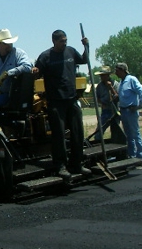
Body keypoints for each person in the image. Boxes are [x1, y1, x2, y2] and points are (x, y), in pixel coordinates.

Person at [32, 30, 91, 178]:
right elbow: (37, 73)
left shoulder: (71, 51)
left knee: (77, 133)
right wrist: (35, 71)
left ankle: (77, 164)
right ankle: (60, 166)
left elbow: (84, 60)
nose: (64, 43)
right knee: (58, 136)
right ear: (54, 41)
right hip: (55, 102)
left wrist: (87, 46)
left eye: (65, 40)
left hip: (71, 99)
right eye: (61, 41)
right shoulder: (45, 56)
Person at [0, 29, 32, 144]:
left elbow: (27, 67)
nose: (9, 45)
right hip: (5, 95)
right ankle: (2, 131)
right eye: (6, 43)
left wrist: (9, 72)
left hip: (15, 94)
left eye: (10, 43)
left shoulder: (18, 53)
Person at [114, 62, 142, 162]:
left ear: (123, 70)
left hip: (131, 111)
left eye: (117, 70)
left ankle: (140, 156)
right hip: (123, 111)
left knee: (135, 133)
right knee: (128, 134)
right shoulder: (121, 82)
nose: (116, 72)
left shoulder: (131, 79)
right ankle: (131, 154)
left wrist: (138, 106)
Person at [94, 65, 120, 140]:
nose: (101, 77)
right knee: (99, 131)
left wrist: (111, 88)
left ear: (108, 75)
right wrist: (102, 103)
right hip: (105, 111)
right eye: (101, 76)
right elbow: (97, 98)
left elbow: (118, 98)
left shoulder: (116, 84)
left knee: (115, 132)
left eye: (103, 75)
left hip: (115, 111)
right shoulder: (99, 86)